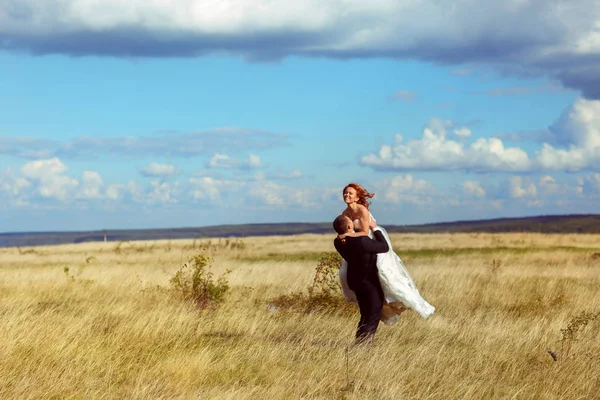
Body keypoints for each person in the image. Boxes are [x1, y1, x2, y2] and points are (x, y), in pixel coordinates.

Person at [338, 183, 435, 321]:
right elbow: (345, 230)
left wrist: (349, 236)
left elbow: (365, 232)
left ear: (357, 197)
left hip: (372, 241)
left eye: (350, 193)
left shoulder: (362, 210)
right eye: (345, 193)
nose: (346, 195)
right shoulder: (345, 214)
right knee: (346, 273)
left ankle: (401, 300)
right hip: (359, 245)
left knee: (385, 272)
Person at [333, 214, 389, 344]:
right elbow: (384, 247)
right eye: (351, 221)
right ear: (349, 226)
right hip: (369, 284)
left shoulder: (338, 242)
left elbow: (350, 236)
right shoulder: (362, 241)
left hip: (355, 282)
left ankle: (359, 343)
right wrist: (375, 229)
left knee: (365, 315)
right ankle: (364, 346)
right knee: (373, 315)